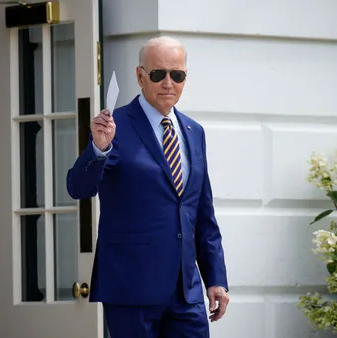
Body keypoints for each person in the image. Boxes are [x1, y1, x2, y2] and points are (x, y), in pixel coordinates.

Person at [66, 36, 229, 338]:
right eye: (158, 74)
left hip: (186, 294)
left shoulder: (194, 132)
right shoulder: (114, 126)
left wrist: (216, 279)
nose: (168, 82)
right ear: (140, 76)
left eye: (177, 75)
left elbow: (202, 213)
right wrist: (98, 150)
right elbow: (78, 188)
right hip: (131, 290)